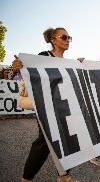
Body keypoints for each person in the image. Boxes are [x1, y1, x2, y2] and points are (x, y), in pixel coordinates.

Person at [14, 27, 79, 182]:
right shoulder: (44, 56)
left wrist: (80, 65)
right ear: (53, 39)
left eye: (69, 37)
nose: (67, 40)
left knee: (67, 138)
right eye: (64, 37)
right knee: (44, 141)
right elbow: (30, 73)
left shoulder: (69, 62)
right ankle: (26, 178)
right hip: (46, 105)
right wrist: (19, 66)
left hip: (63, 105)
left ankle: (63, 175)